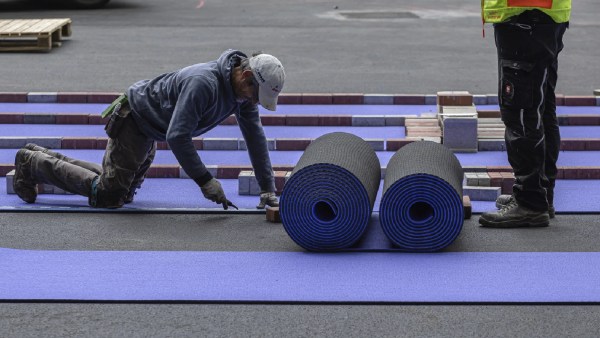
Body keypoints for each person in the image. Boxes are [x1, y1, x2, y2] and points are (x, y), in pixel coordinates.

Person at [13, 49, 285, 210]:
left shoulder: (242, 94)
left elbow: (255, 137)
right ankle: (33, 162)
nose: (253, 103)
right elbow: (177, 137)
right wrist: (205, 180)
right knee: (108, 197)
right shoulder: (205, 84)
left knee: (123, 192)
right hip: (135, 120)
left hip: (151, 128)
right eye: (255, 96)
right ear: (246, 76)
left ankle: (39, 155)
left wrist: (267, 189)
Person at [479, 1, 571, 227]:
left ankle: (530, 202)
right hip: (543, 16)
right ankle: (539, 194)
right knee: (541, 109)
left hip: (525, 14)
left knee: (520, 112)